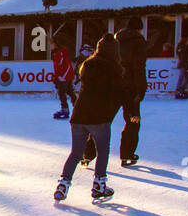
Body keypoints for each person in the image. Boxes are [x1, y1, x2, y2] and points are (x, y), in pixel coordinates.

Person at [55, 35, 126, 203]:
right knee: (102, 151)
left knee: (76, 153)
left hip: (79, 115)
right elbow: (118, 95)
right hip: (99, 118)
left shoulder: (87, 65)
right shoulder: (114, 69)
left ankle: (63, 185)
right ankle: (99, 185)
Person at [116, 17, 148, 167]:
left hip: (113, 84)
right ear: (139, 28)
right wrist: (141, 90)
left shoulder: (116, 40)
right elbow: (139, 67)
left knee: (102, 119)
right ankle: (127, 154)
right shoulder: (139, 41)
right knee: (133, 121)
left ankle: (87, 154)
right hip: (130, 87)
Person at [50, 36, 77, 119]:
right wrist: (57, 77)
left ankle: (65, 109)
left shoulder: (60, 53)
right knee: (70, 92)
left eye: (52, 44)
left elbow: (65, 66)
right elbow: (58, 67)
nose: (51, 46)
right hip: (65, 77)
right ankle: (78, 108)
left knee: (62, 93)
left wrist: (61, 77)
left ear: (56, 44)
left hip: (64, 77)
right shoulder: (58, 53)